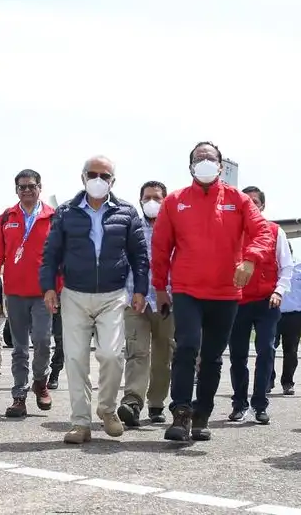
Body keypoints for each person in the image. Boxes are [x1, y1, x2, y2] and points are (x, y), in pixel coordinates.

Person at [151, 141, 274, 443]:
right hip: (187, 289)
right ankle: (180, 412)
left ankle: (201, 413)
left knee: (213, 356)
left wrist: (249, 259)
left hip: (225, 293)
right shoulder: (175, 201)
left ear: (220, 165)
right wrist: (159, 287)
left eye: (210, 157)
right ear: (190, 165)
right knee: (187, 345)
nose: (204, 161)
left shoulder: (239, 200)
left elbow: (263, 232)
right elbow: (160, 246)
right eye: (198, 157)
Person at [40, 155, 149, 444]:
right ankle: (80, 423)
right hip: (74, 294)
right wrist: (48, 287)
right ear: (83, 177)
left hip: (112, 296)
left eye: (105, 175)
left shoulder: (127, 212)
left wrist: (140, 290)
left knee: (112, 356)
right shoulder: (66, 212)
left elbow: (139, 256)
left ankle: (107, 409)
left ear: (113, 181)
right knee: (75, 359)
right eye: (93, 174)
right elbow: (50, 254)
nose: (98, 180)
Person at [0, 169, 61, 417]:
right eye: (22, 187)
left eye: (31, 186)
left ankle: (40, 381)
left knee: (43, 342)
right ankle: (19, 395)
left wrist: (59, 287)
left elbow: (62, 256)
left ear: (40, 188)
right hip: (15, 293)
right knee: (20, 348)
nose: (27, 190)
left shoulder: (54, 218)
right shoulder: (6, 218)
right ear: (16, 190)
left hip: (43, 294)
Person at [228, 186, 293, 424]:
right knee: (237, 355)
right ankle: (239, 403)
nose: (251, 205)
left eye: (256, 202)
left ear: (263, 207)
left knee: (266, 350)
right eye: (247, 201)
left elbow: (287, 267)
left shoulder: (275, 231)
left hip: (267, 301)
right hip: (237, 302)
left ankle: (260, 404)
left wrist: (278, 291)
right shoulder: (230, 231)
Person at [117, 180, 174, 427]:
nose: (152, 202)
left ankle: (156, 403)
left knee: (164, 356)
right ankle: (132, 402)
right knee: (136, 352)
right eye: (147, 197)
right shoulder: (131, 228)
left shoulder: (175, 228)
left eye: (157, 197)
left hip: (167, 301)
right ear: (140, 201)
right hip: (135, 299)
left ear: (166, 200)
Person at [272, 255, 301, 394]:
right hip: (272, 313)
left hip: (294, 315)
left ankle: (288, 382)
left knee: (291, 351)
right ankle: (267, 380)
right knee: (267, 349)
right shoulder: (271, 263)